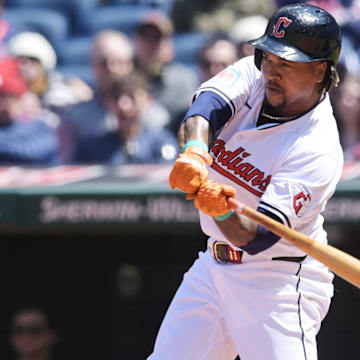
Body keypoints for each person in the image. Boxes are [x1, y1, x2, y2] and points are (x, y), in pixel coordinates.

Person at [148, 3, 343, 360]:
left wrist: (218, 208)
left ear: (319, 71)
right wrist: (193, 150)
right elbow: (204, 109)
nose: (272, 71)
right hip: (212, 269)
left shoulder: (318, 149)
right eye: (268, 58)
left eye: (286, 63)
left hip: (276, 283)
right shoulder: (256, 76)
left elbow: (256, 238)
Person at [60, 29, 170, 163]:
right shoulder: (77, 117)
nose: (112, 69)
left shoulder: (154, 116)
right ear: (92, 65)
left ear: (131, 65)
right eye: (104, 63)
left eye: (119, 62)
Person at [73, 72, 178, 165]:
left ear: (147, 101)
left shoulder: (161, 142)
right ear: (106, 103)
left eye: (132, 98)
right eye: (116, 98)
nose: (123, 105)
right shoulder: (92, 147)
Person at [133, 10, 199, 123]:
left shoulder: (184, 80)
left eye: (157, 39)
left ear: (170, 46)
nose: (151, 45)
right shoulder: (122, 75)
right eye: (146, 38)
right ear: (136, 42)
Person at [8, 31, 92, 114]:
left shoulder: (62, 88)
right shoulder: (6, 93)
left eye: (32, 59)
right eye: (19, 60)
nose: (25, 65)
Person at [0, 57, 59, 165]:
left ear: (19, 98)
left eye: (5, 98)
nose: (2, 105)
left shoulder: (38, 127)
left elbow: (30, 151)